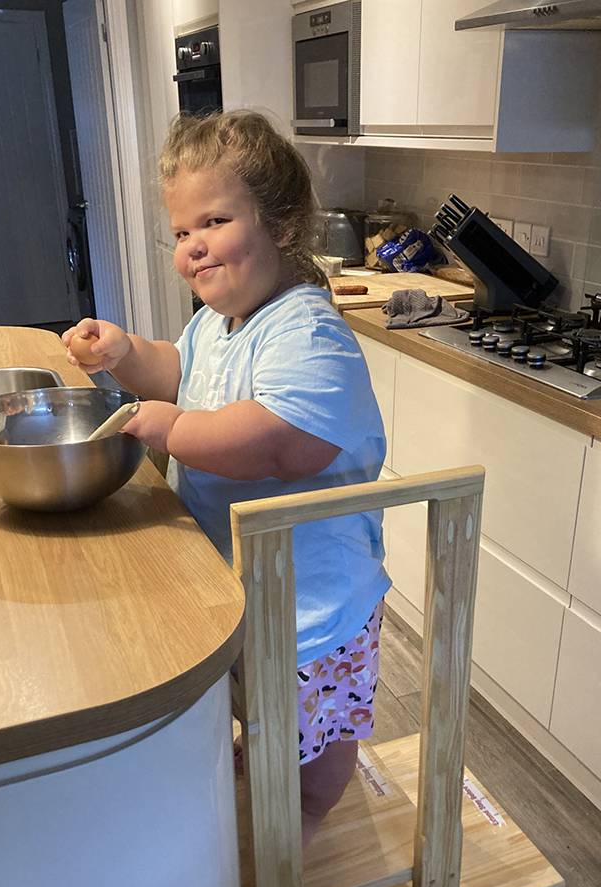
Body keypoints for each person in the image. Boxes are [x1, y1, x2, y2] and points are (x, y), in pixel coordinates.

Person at [62, 110, 390, 847]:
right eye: (181, 232)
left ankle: (307, 812)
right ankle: (268, 759)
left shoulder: (306, 332)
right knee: (253, 701)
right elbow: (181, 373)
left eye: (214, 220)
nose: (194, 246)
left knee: (319, 739)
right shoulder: (217, 321)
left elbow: (280, 444)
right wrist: (123, 353)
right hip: (247, 585)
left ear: (278, 225)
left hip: (313, 607)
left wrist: (171, 427)